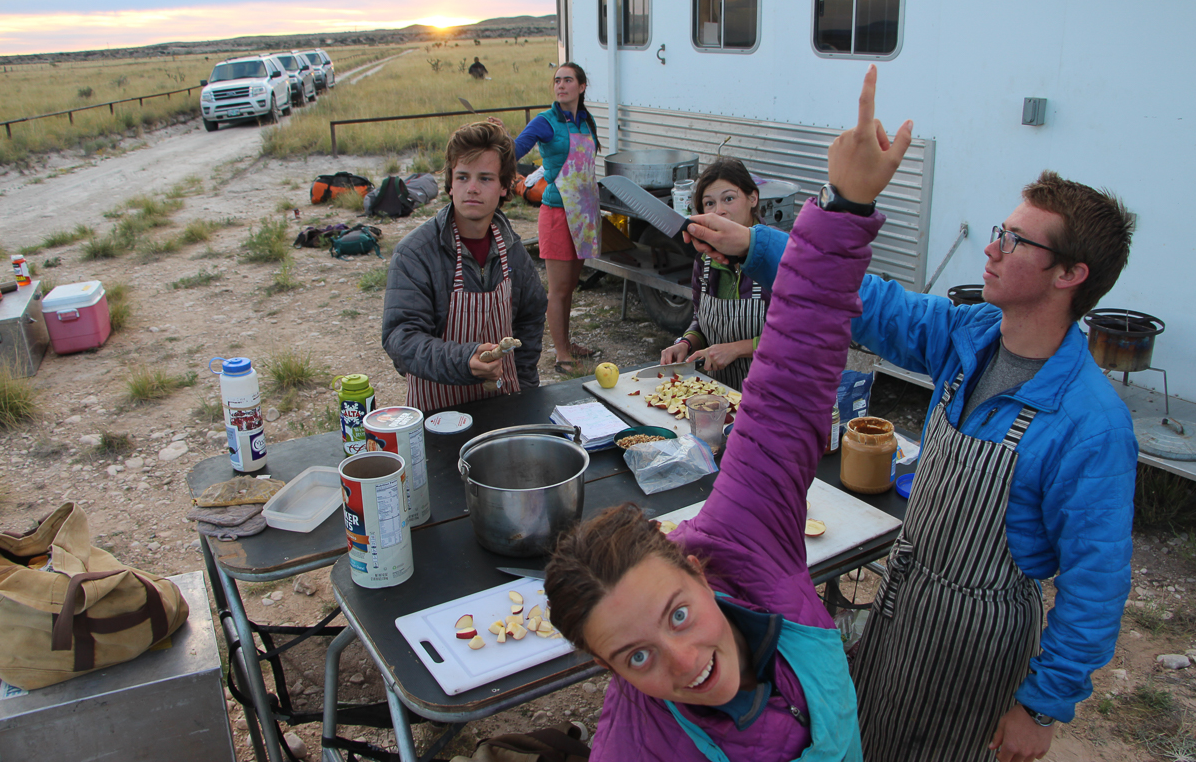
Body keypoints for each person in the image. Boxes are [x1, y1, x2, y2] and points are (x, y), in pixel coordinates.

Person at [684, 94, 1137, 762]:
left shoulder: (1090, 421)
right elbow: (867, 301)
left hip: (980, 645)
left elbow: (1096, 585)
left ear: (1071, 274)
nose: (990, 248)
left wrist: (1041, 706)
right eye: (999, 230)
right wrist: (757, 245)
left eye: (1014, 241)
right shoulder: (971, 336)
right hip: (904, 608)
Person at [543, 66, 912, 762]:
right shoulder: (634, 748)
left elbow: (790, 377)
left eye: (678, 614)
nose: (683, 663)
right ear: (609, 672)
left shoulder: (750, 544)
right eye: (637, 659)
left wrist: (846, 206)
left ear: (698, 569)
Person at [381, 121, 547, 411]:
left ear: (506, 187)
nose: (471, 188)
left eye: (485, 178)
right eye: (462, 177)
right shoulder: (415, 253)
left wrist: (525, 391)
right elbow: (401, 338)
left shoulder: (513, 251)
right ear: (449, 185)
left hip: (502, 404)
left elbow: (531, 319)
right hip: (437, 414)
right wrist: (463, 360)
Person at [494, 63, 602, 374]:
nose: (561, 85)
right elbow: (513, 151)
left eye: (568, 80)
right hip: (557, 212)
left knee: (571, 286)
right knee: (558, 289)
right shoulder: (545, 121)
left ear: (581, 87)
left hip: (585, 212)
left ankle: (566, 342)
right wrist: (498, 138)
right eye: (557, 80)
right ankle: (562, 355)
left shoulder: (586, 120)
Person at [659, 157, 773, 391]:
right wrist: (686, 343)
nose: (719, 211)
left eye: (729, 199)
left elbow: (798, 340)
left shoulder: (777, 255)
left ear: (753, 198)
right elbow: (703, 321)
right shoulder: (705, 258)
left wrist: (736, 349)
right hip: (720, 394)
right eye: (709, 204)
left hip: (774, 395)